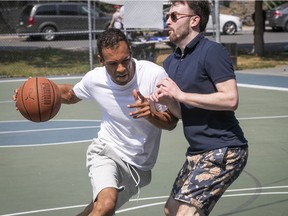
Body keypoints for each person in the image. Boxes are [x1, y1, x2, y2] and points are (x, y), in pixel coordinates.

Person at [13, 28, 178, 216]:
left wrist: (151, 114)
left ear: (131, 52)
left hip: (138, 167)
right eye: (113, 64)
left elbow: (171, 122)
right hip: (106, 151)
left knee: (98, 210)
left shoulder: (154, 75)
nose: (121, 68)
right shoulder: (95, 79)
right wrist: (29, 94)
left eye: (125, 60)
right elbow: (69, 94)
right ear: (101, 61)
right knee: (106, 204)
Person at [151, 1, 248, 215]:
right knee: (171, 210)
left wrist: (181, 95)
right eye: (167, 16)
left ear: (194, 20)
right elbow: (182, 113)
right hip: (196, 151)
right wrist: (168, 102)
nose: (168, 21)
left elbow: (231, 99)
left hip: (225, 148)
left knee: (187, 212)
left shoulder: (212, 52)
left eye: (174, 16)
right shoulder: (170, 62)